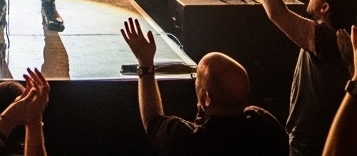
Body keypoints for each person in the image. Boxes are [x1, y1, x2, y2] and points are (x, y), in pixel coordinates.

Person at [241, 0, 357, 156]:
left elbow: (278, 13)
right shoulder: (341, 27)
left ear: (324, 8)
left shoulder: (326, 39)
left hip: (310, 141)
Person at [121, 18, 287, 156]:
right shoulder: (264, 126)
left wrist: (145, 64)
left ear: (207, 98)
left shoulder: (188, 141)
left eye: (197, 79)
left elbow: (152, 119)